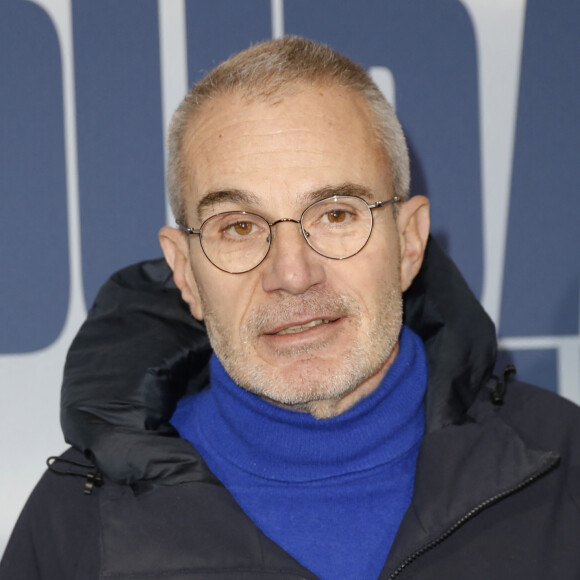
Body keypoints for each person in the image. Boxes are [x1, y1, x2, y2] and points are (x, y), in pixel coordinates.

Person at [1, 36, 580, 580]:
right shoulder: (76, 527)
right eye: (240, 227)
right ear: (186, 273)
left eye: (335, 215)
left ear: (408, 242)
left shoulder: (563, 471)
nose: (292, 275)